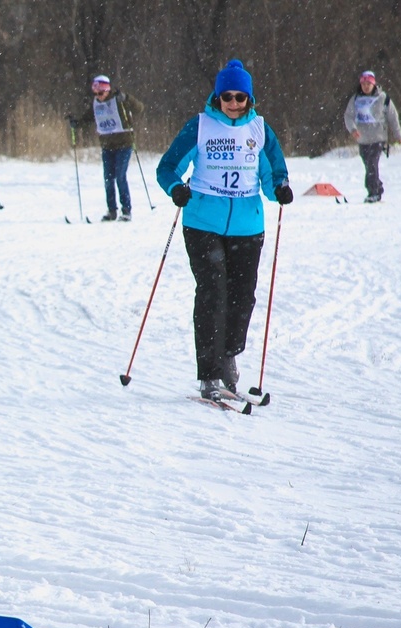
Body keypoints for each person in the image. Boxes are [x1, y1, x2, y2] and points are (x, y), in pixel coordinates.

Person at [156, 59, 291, 402]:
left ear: (249, 99)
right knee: (213, 292)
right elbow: (167, 166)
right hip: (203, 223)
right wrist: (176, 188)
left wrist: (281, 190)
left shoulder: (259, 130)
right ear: (217, 97)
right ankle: (209, 374)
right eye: (227, 96)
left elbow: (274, 173)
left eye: (240, 97)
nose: (233, 103)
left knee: (242, 296)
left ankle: (229, 354)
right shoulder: (200, 126)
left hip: (248, 225)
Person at [69, 75, 145, 221]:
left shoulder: (119, 100)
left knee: (120, 177)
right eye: (95, 93)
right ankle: (112, 211)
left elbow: (140, 108)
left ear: (107, 90)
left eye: (100, 93)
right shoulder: (96, 104)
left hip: (124, 144)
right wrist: (76, 123)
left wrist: (127, 98)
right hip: (107, 146)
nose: (98, 96)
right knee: (108, 179)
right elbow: (87, 119)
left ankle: (126, 210)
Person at [342, 70, 401, 204]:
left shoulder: (382, 98)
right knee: (368, 165)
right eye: (364, 84)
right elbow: (348, 116)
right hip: (363, 139)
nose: (366, 86)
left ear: (373, 84)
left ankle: (374, 192)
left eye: (368, 83)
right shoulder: (356, 99)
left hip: (378, 138)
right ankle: (377, 187)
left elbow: (392, 116)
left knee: (372, 164)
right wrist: (353, 129)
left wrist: (398, 135)